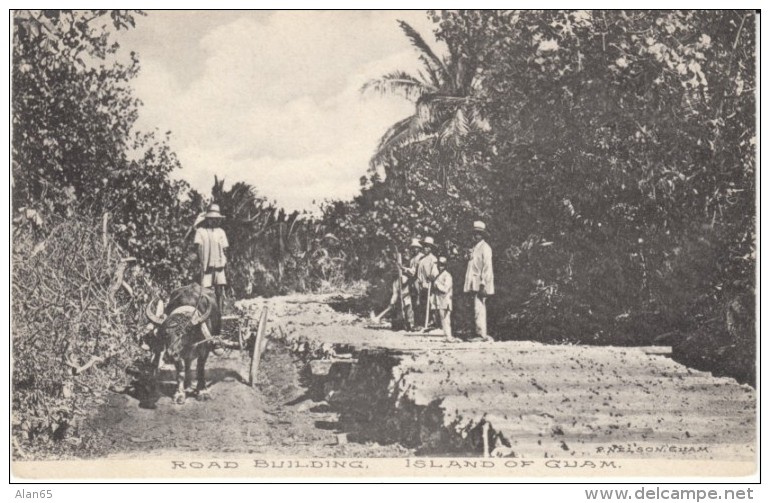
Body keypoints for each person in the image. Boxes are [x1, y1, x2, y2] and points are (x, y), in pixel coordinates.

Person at [194, 203, 229, 314]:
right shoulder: (201, 231)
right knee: (206, 291)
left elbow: (225, 249)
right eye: (211, 219)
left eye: (216, 219)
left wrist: (224, 262)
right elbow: (198, 247)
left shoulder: (221, 232)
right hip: (206, 266)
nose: (213, 221)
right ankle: (207, 313)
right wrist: (201, 262)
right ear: (207, 219)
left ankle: (219, 314)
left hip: (219, 266)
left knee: (220, 290)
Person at [464, 221, 494, 341]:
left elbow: (487, 267)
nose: (475, 236)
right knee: (474, 308)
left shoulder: (485, 248)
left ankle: (481, 334)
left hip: (481, 282)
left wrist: (483, 283)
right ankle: (476, 331)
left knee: (479, 307)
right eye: (474, 234)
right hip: (473, 281)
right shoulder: (475, 248)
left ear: (482, 235)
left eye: (477, 234)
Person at [431, 256, 456, 342]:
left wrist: (437, 285)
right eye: (438, 265)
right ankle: (446, 336)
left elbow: (445, 289)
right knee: (443, 319)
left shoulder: (447, 276)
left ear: (445, 266)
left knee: (446, 319)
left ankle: (448, 336)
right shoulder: (439, 275)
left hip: (446, 300)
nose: (439, 266)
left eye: (441, 265)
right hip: (440, 300)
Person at [416, 236, 438, 329]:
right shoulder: (421, 259)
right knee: (422, 304)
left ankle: (432, 322)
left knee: (431, 303)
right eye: (425, 246)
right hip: (422, 284)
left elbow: (435, 272)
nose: (426, 248)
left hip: (430, 284)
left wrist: (431, 277)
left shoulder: (433, 259)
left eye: (428, 247)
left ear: (431, 248)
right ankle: (423, 323)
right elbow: (419, 272)